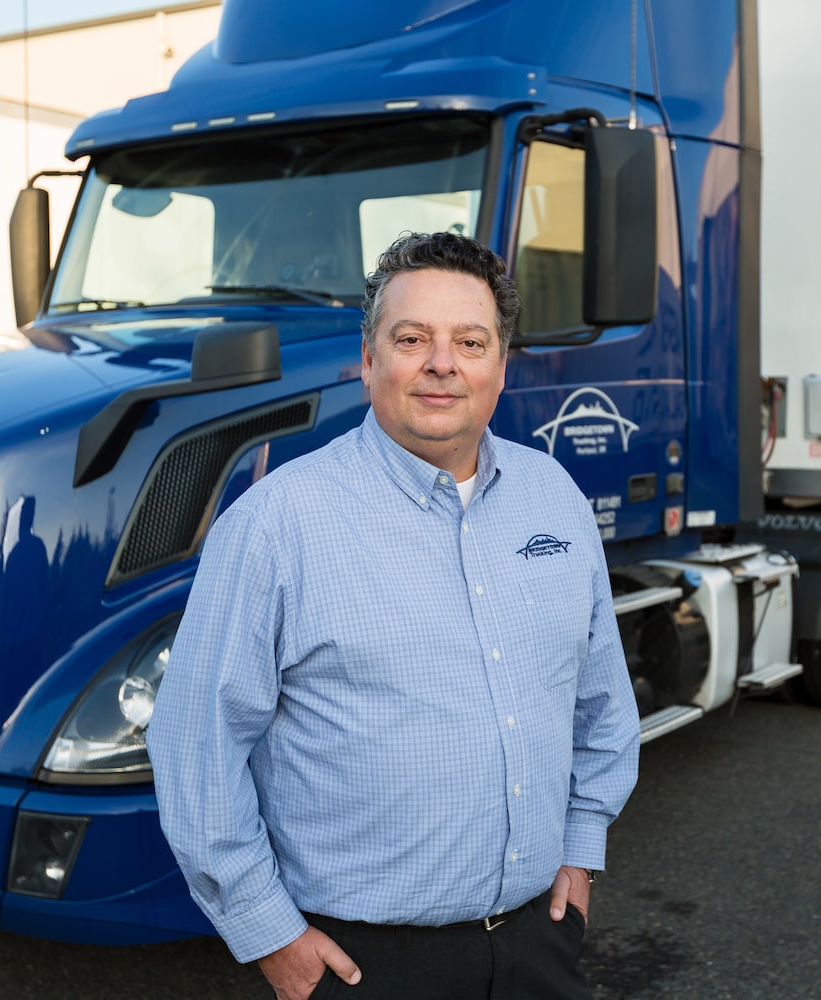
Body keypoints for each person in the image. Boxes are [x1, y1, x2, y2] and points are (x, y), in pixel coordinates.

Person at [148, 230, 641, 1000]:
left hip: (538, 942)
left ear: (501, 365)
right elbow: (196, 749)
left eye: (470, 342)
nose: (442, 363)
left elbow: (603, 701)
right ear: (369, 358)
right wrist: (270, 934)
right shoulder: (276, 526)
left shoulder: (555, 500)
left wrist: (580, 849)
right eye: (412, 339)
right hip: (363, 966)